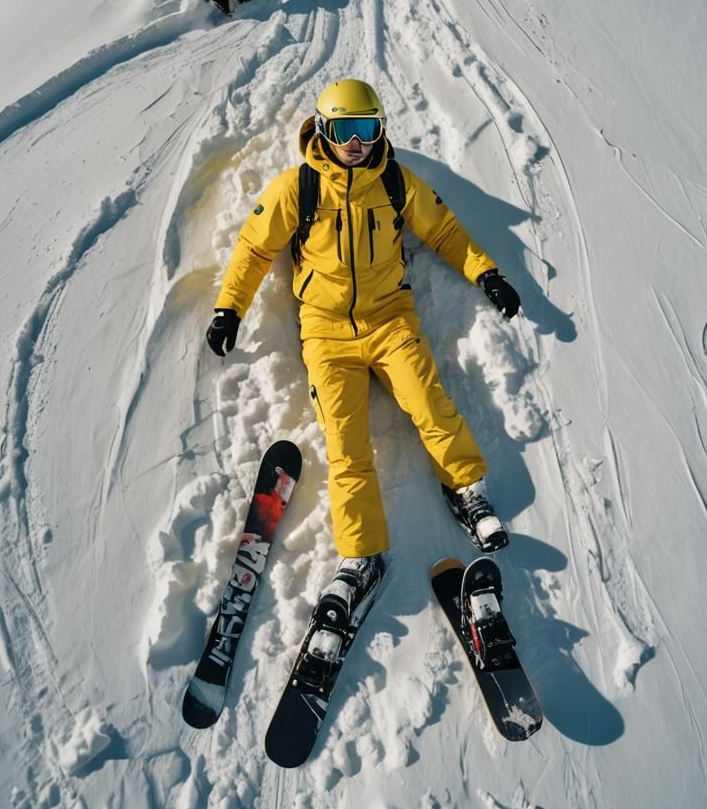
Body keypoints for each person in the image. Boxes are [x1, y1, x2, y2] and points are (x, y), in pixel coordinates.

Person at [206, 79, 521, 620]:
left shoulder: (395, 183)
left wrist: (486, 272)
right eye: (345, 129)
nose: (357, 142)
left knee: (429, 403)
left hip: (389, 320)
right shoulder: (298, 188)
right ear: (324, 130)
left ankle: (466, 489)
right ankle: (361, 557)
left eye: (368, 128)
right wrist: (228, 308)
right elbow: (254, 249)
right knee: (345, 444)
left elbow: (443, 231)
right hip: (326, 333)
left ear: (380, 128)